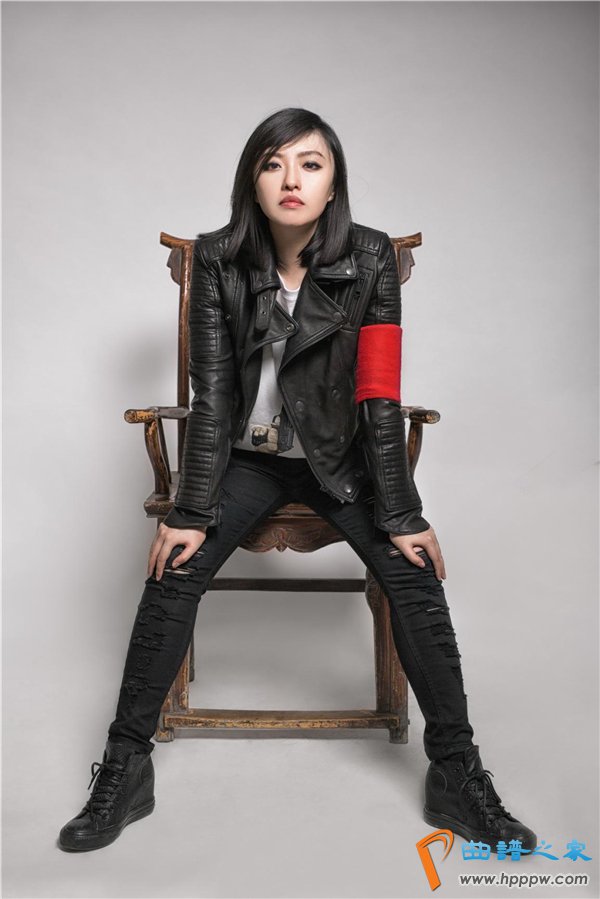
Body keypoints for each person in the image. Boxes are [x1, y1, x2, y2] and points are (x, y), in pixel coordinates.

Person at [59, 107, 536, 853]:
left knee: (415, 579)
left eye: (310, 164)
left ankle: (457, 772)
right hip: (245, 462)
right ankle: (126, 767)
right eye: (273, 163)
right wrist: (190, 507)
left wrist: (402, 511)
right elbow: (213, 391)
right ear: (252, 180)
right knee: (172, 572)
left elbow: (379, 392)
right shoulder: (218, 259)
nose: (292, 179)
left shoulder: (371, 258)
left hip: (338, 462)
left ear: (333, 182)